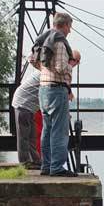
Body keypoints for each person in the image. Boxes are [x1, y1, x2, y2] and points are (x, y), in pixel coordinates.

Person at [13, 49, 81, 170]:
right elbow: (55, 94)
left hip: (31, 106)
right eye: (75, 61)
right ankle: (24, 163)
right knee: (24, 136)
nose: (76, 64)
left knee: (32, 136)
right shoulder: (53, 72)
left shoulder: (56, 71)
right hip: (23, 102)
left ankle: (36, 161)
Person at [37, 12, 78, 177]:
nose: (70, 31)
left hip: (43, 89)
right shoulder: (60, 41)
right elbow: (61, 67)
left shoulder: (44, 38)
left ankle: (46, 166)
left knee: (47, 130)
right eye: (70, 27)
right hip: (57, 89)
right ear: (65, 25)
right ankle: (57, 168)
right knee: (59, 131)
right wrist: (71, 65)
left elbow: (32, 60)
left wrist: (47, 71)